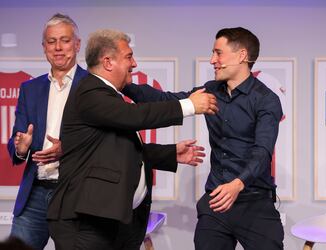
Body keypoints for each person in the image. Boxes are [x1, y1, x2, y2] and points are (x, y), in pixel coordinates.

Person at [46, 29, 218, 250]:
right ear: (108, 62)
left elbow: (116, 151)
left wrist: (169, 153)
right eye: (128, 56)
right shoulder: (90, 91)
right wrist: (189, 105)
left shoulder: (108, 95)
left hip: (108, 220)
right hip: (85, 221)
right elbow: (134, 116)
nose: (134, 63)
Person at [122, 27, 284, 250]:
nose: (212, 60)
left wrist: (237, 184)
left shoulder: (266, 100)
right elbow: (166, 100)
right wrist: (121, 82)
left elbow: (262, 151)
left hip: (255, 202)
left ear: (242, 55)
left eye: (218, 53)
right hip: (216, 202)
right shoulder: (211, 91)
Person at [7, 13, 87, 249]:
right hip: (35, 194)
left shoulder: (93, 86)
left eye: (64, 40)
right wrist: (21, 148)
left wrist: (68, 148)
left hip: (75, 194)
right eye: (51, 42)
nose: (58, 48)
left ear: (77, 44)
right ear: (44, 48)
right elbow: (16, 142)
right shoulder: (30, 89)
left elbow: (102, 141)